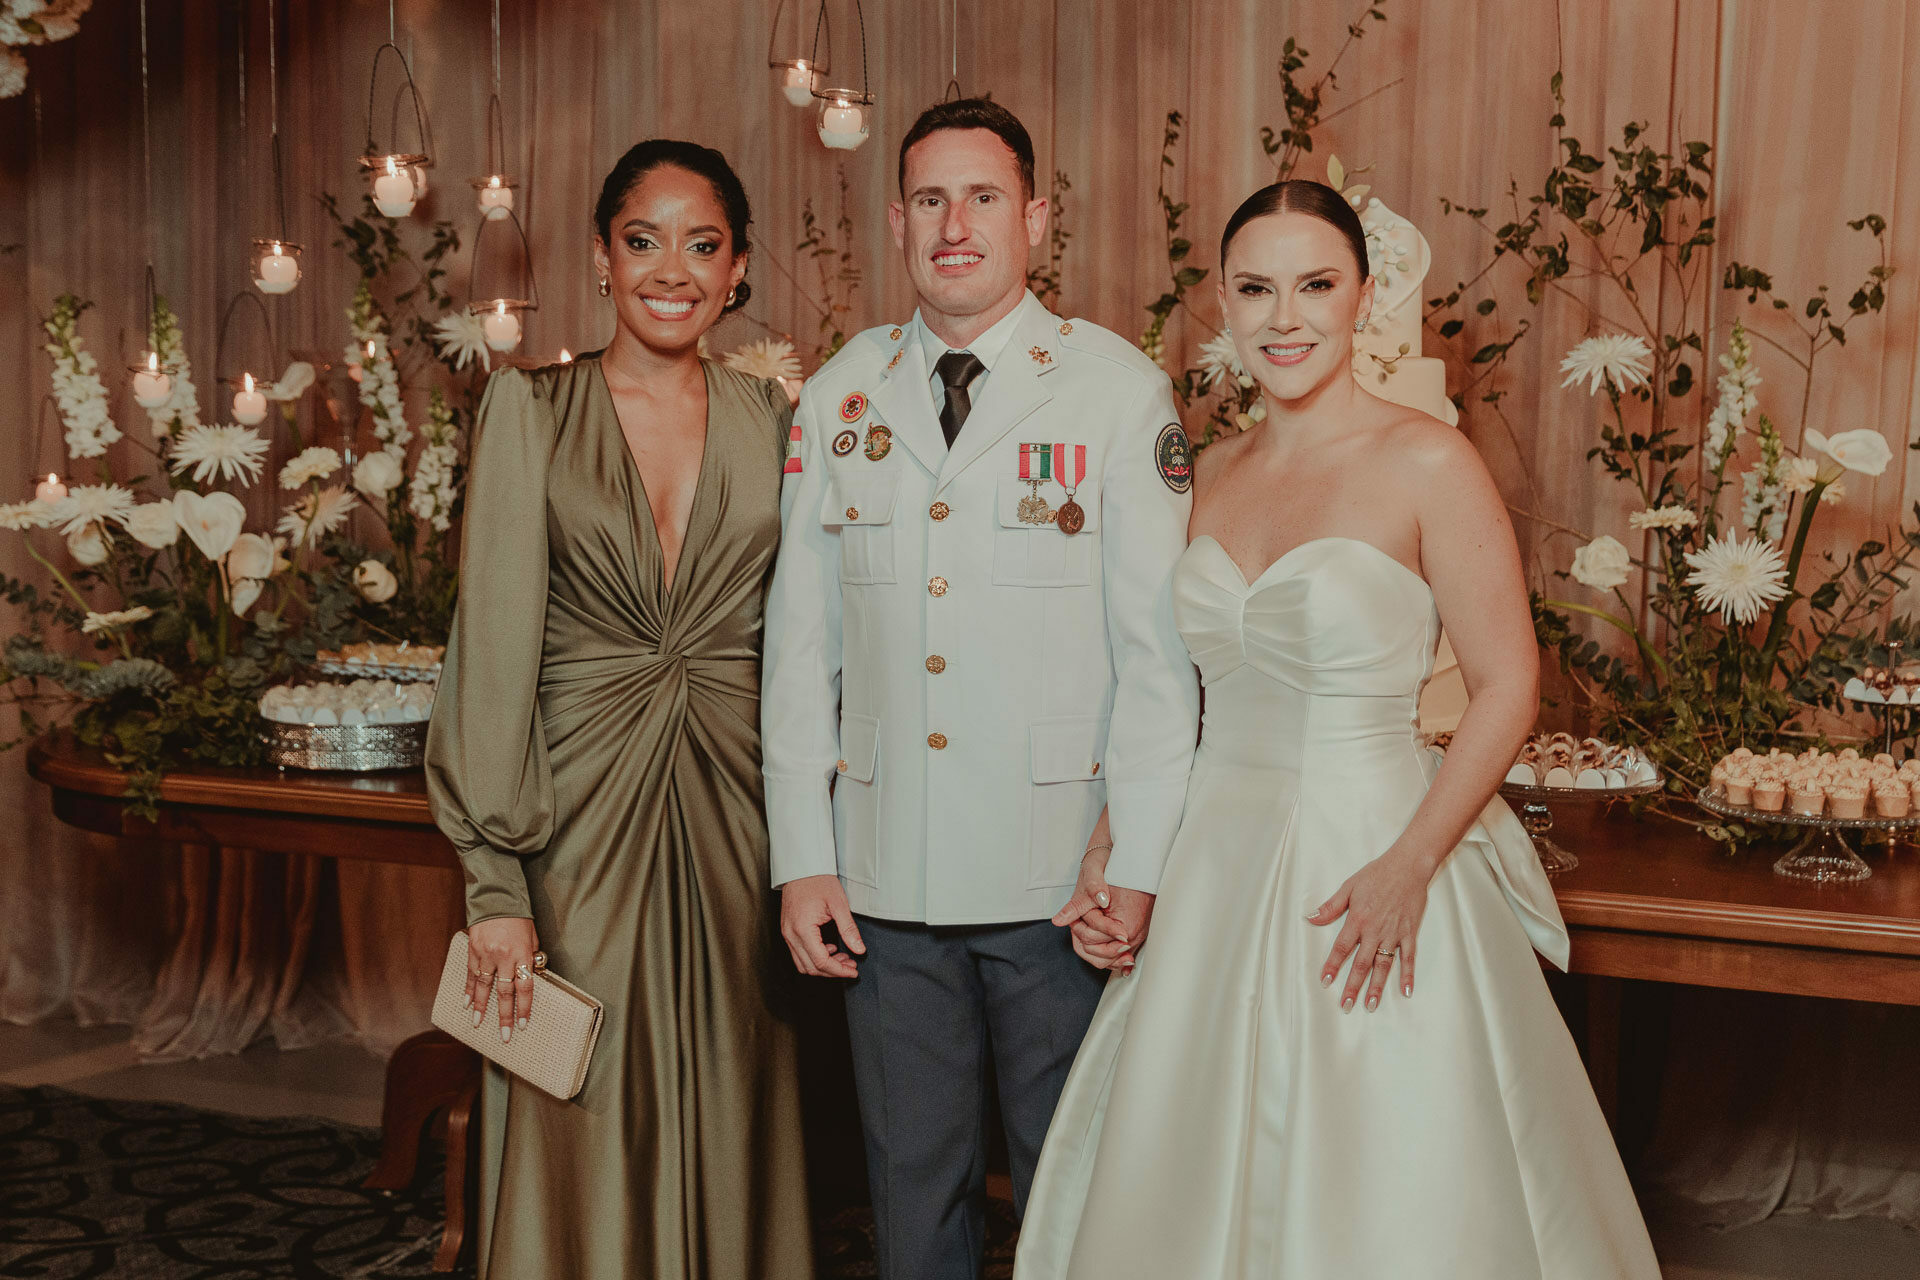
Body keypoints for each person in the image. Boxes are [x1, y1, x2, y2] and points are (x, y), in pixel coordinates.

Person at [1015, 181, 1662, 1277]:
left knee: (1379, 1156)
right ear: (1223, 303)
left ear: (1364, 295)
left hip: (1374, 846)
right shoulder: (1205, 474)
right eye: (1255, 289)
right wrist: (1114, 849)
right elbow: (1170, 696)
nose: (1285, 318)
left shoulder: (1430, 461)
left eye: (1315, 285)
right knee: (1181, 1155)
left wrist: (1410, 865)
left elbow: (1509, 684)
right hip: (1212, 858)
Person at [760, 98, 1200, 1279]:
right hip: (884, 871)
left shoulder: (1115, 392)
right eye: (931, 200)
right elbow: (800, 648)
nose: (955, 226)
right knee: (912, 1194)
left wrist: (1140, 858)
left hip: (1060, 880)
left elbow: (1159, 660)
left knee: (1075, 1195)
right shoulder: (841, 395)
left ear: (1035, 218)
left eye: (985, 197)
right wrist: (803, 852)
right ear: (898, 220)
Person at [425, 139, 812, 1280]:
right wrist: (495, 885)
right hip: (575, 820)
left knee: (733, 1086)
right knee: (577, 1093)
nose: (672, 270)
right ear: (602, 257)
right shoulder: (531, 410)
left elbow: (808, 640)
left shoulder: (776, 420)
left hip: (741, 813)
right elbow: (492, 648)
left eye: (703, 245)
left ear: (737, 268)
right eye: (644, 241)